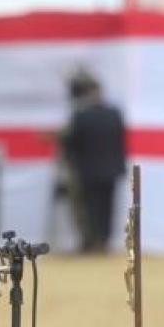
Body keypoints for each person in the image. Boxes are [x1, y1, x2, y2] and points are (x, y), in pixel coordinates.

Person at [62, 70, 127, 252]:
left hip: (88, 170)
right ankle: (103, 241)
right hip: (111, 169)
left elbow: (71, 142)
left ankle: (92, 241)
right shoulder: (114, 114)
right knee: (106, 208)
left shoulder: (81, 116)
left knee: (91, 208)